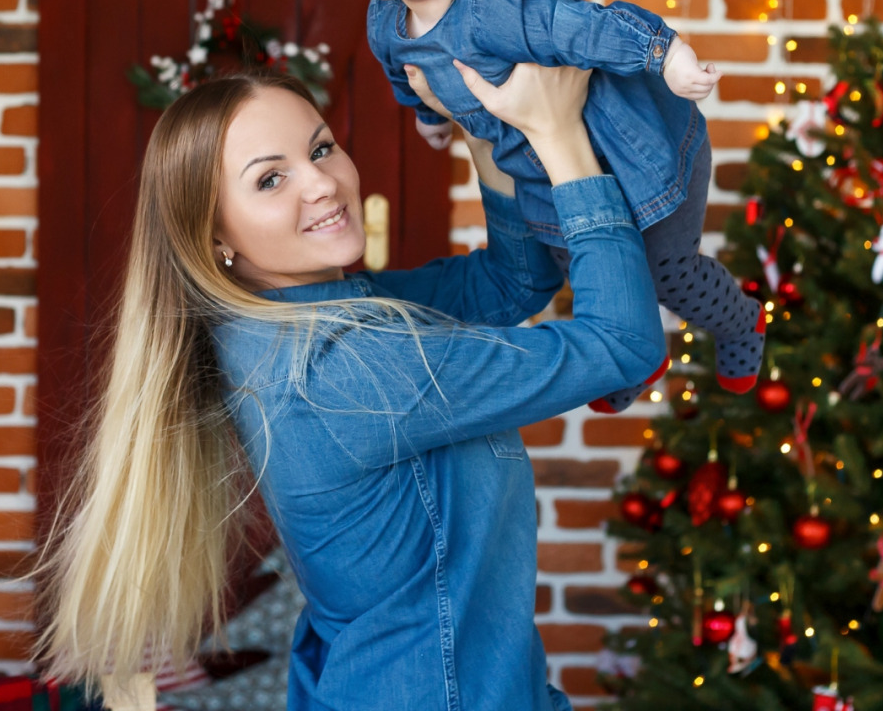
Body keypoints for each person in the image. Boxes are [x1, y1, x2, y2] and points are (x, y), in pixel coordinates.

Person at [37, 60, 665, 711]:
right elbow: (623, 344)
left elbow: (508, 286)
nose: (322, 183)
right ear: (214, 235)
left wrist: (481, 132)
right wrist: (558, 135)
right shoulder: (341, 369)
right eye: (271, 178)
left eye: (321, 149)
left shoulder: (300, 317)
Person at [327, 0, 764, 405]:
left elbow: (591, 26)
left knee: (668, 272)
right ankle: (636, 358)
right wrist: (428, 117)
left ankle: (742, 321)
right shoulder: (386, 20)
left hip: (641, 150)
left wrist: (665, 54)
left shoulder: (502, 7)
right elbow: (403, 75)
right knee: (573, 259)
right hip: (545, 171)